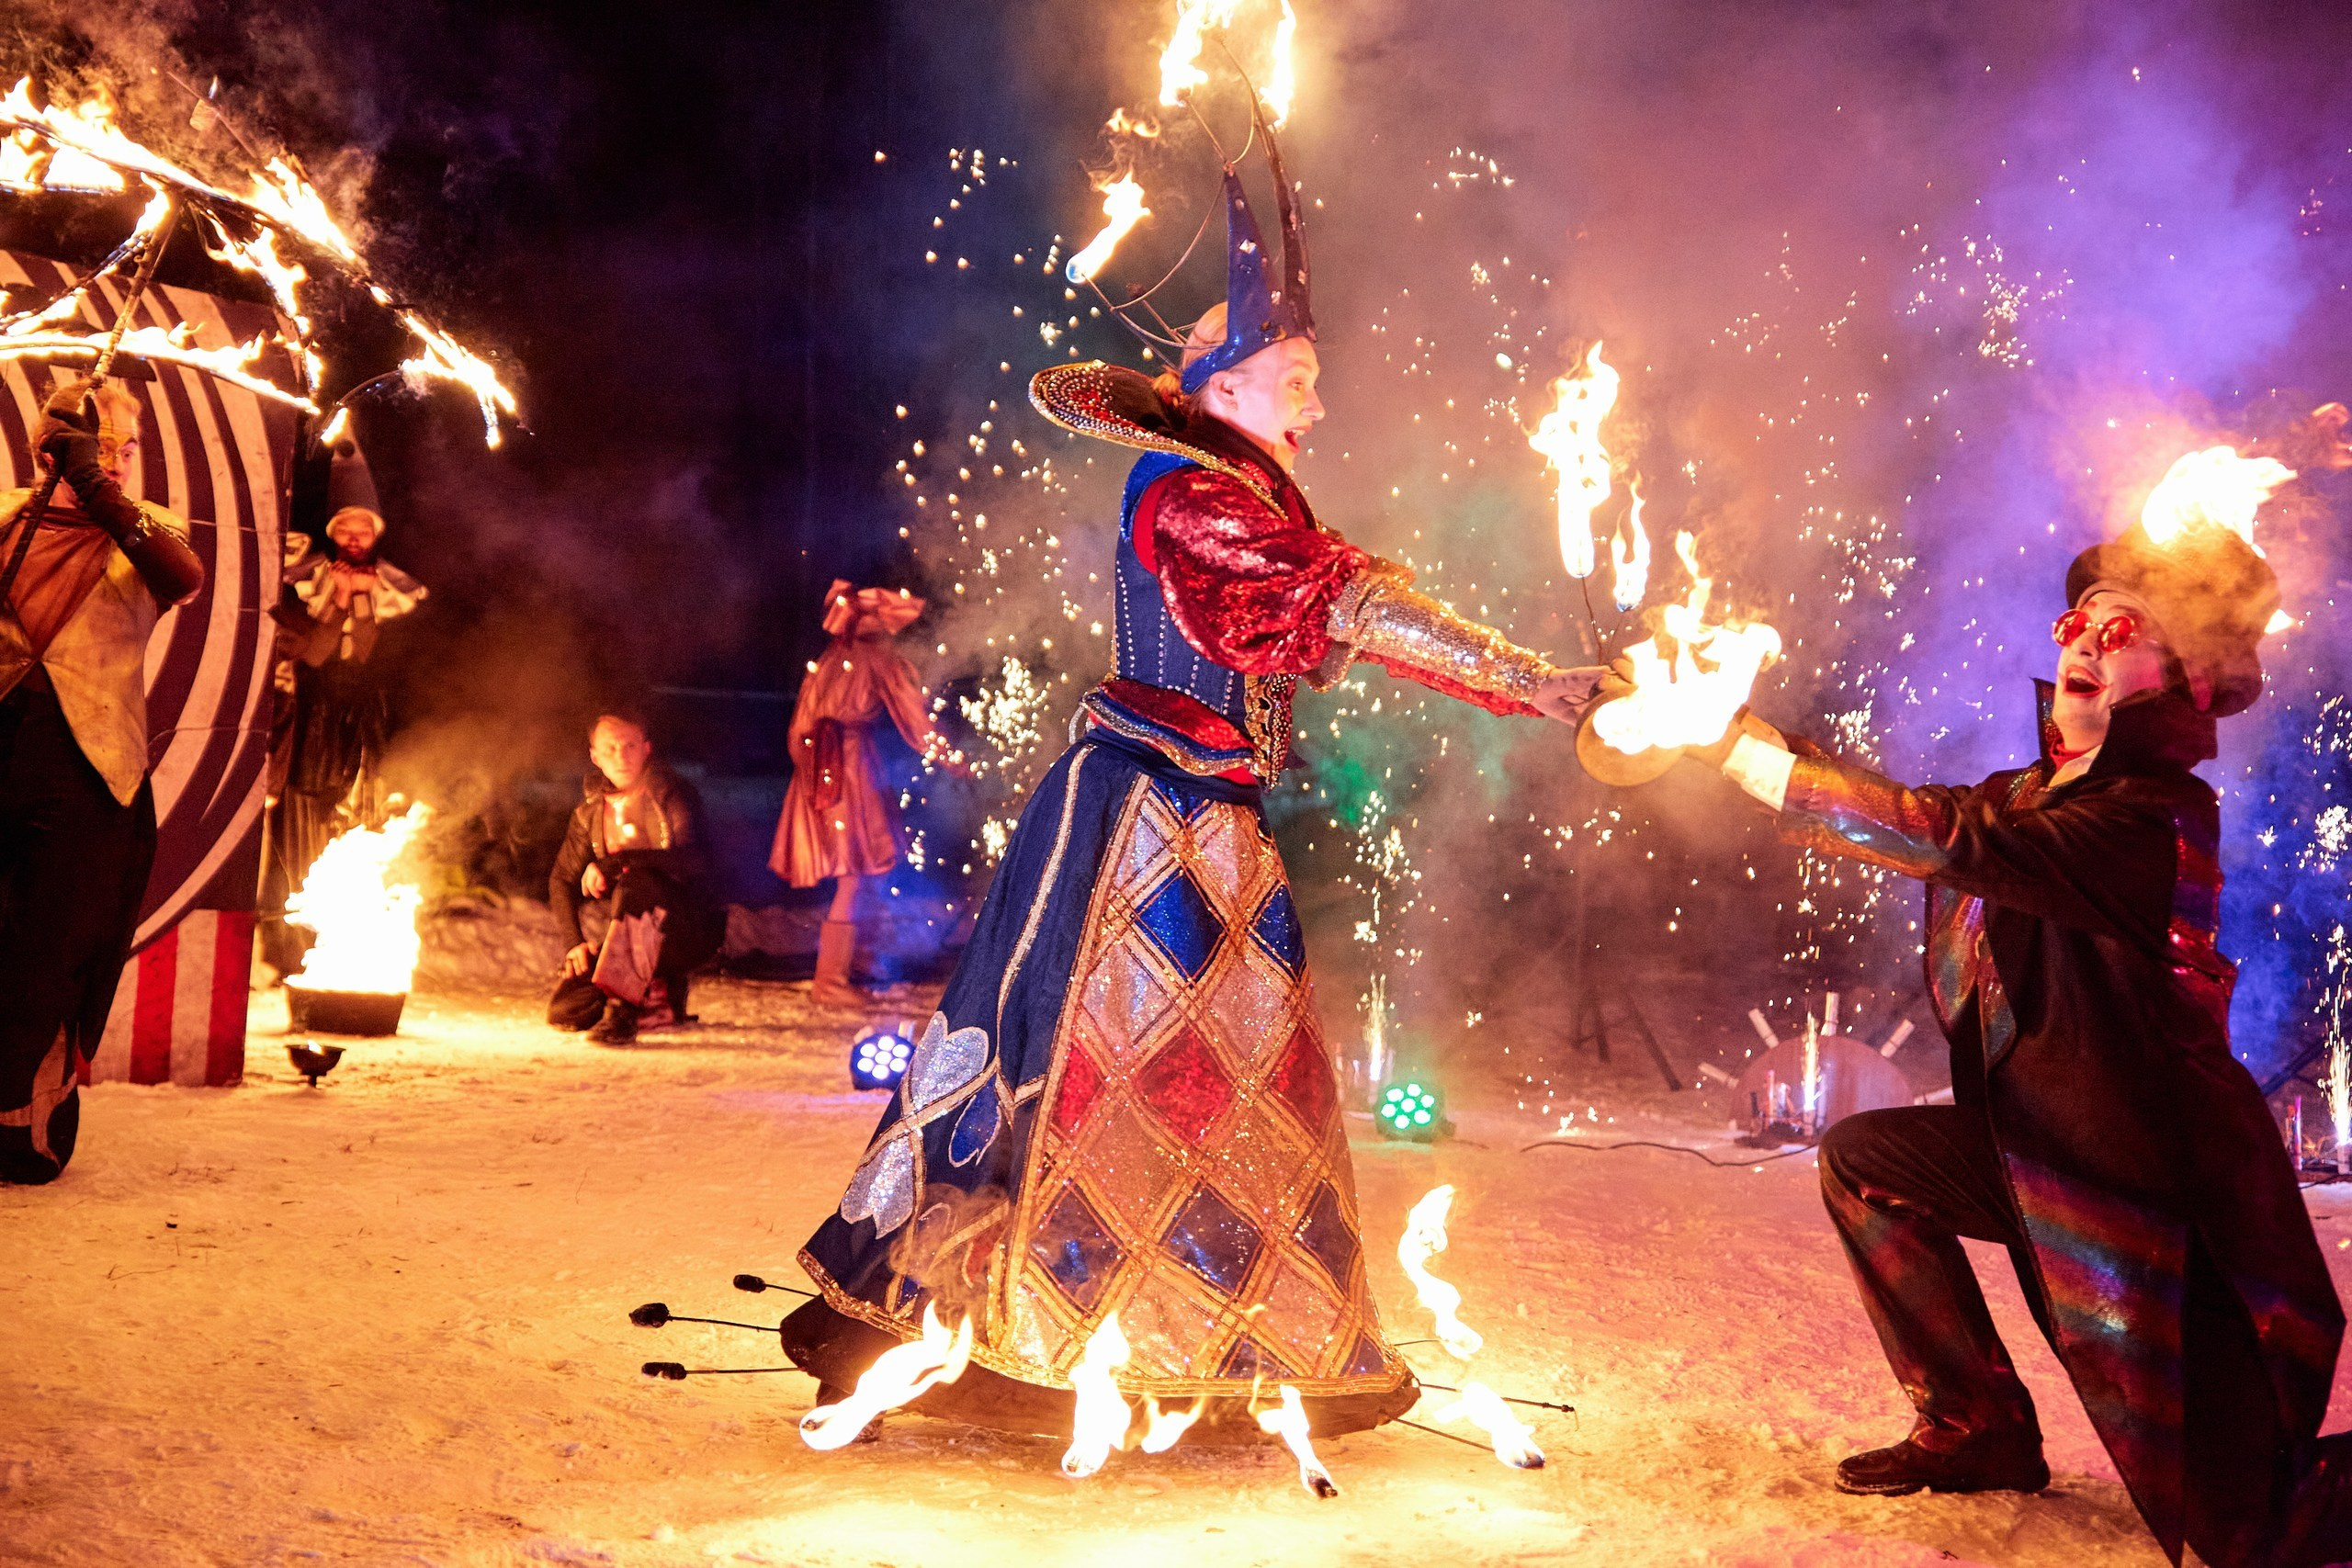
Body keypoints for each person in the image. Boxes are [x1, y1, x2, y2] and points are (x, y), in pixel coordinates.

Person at [783, 110, 1605, 1439]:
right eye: (1297, 380)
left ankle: (1185, 1338)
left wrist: (1523, 682)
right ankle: (1029, 1333)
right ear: (1222, 385)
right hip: (1148, 824)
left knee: (1202, 1085)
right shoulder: (1195, 495)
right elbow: (1341, 601)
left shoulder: (1237, 486)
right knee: (1113, 1080)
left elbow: (1325, 608)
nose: (1316, 405)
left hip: (1196, 810)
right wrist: (1528, 678)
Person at [1664, 504, 2348, 1567]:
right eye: (2078, 622)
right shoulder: (2024, 796)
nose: (2083, 642)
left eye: (2121, 632)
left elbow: (1948, 841)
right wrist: (1700, 722)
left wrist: (1743, 754)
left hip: (2157, 1199)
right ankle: (1974, 1425)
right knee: (1867, 1160)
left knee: (2253, 1533)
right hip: (2041, 1155)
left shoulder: (2152, 816)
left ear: (2183, 680)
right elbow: (1919, 817)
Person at [0, 378, 205, 1183]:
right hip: (4, 747)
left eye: (123, 448)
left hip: (91, 770)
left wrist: (93, 485)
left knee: (51, 956)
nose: (115, 461)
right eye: (95, 446)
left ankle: (22, 1126)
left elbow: (182, 577)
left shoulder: (147, 529)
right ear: (48, 447)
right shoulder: (8, 519)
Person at [263, 437, 426, 972]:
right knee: (302, 828)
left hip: (367, 724)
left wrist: (363, 602)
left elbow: (374, 658)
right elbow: (314, 654)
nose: (355, 539)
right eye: (345, 530)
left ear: (376, 534)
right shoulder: (301, 580)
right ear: (333, 534)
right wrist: (337, 599)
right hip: (314, 722)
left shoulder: (399, 590)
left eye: (364, 530)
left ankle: (354, 947)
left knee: (360, 825)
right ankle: (296, 954)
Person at [769, 581, 965, 1005]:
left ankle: (855, 959)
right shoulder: (877, 658)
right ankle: (830, 983)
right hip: (848, 770)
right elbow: (916, 720)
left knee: (867, 870)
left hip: (823, 770)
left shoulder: (828, 658)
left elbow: (798, 732)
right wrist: (953, 760)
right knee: (855, 873)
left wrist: (810, 775)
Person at [547, 713, 721, 1044]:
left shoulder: (671, 793)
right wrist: (575, 944)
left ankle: (624, 1010)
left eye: (629, 746)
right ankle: (660, 996)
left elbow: (696, 860)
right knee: (567, 1011)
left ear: (646, 749)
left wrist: (619, 862)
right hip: (631, 941)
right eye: (610, 749)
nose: (621, 757)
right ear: (595, 757)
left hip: (686, 930)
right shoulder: (590, 811)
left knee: (637, 882)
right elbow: (562, 880)